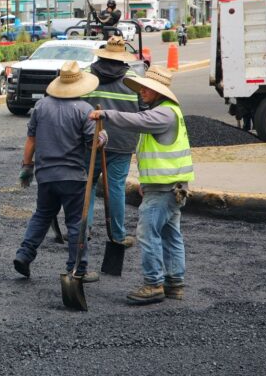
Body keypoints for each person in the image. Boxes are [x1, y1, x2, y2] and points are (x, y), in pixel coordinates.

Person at [89, 65, 193, 305]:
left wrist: (106, 114)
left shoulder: (162, 114)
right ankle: (174, 284)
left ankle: (153, 284)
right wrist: (146, 182)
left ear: (159, 92)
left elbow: (135, 120)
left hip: (165, 188)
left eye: (148, 88)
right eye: (143, 87)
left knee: (148, 234)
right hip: (169, 185)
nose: (143, 91)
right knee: (170, 234)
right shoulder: (167, 112)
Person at [13, 60, 105, 283]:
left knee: (42, 214)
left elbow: (31, 140)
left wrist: (27, 166)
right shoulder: (85, 110)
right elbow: (92, 145)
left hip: (45, 175)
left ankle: (24, 254)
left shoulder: (41, 106)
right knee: (75, 222)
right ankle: (77, 268)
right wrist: (103, 136)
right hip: (73, 176)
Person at [82, 36, 140, 248]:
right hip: (123, 141)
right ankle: (117, 234)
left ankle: (83, 230)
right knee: (115, 187)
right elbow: (143, 110)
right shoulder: (134, 78)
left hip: (91, 140)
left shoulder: (87, 74)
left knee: (87, 184)